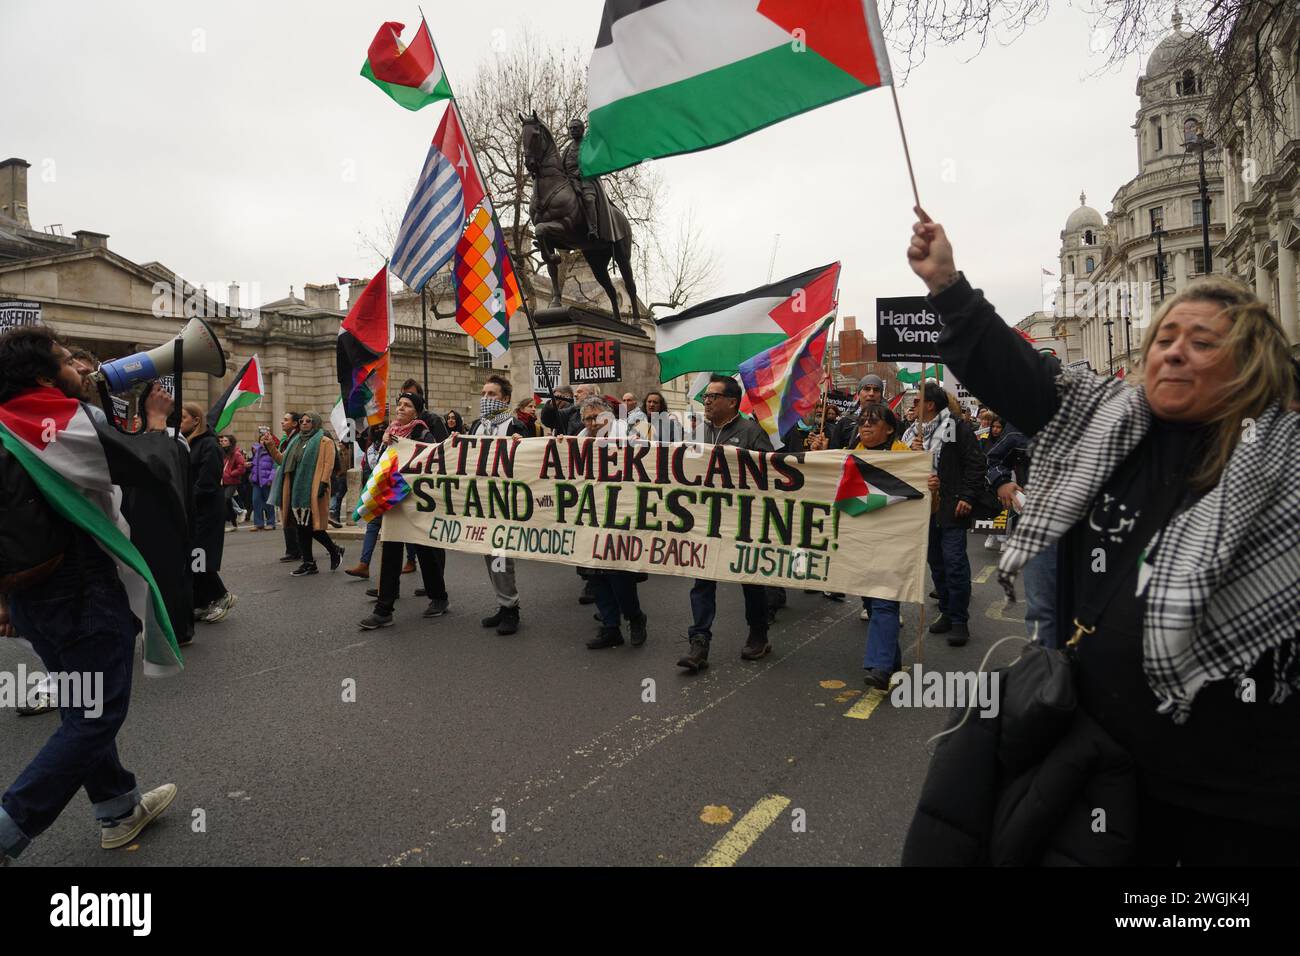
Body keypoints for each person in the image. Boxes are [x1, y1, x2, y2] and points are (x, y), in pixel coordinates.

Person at [907, 211, 1300, 864]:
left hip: (1240, 798)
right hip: (1096, 771)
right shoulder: (1108, 420)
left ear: (1251, 363)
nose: (1172, 350)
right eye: (1164, 337)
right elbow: (1018, 373)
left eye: (1201, 342)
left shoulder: (1284, 464)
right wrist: (947, 284)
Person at [0, 326, 177, 863]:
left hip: (31, 593)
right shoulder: (63, 420)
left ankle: (118, 808)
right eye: (68, 362)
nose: (82, 370)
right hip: (78, 586)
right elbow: (149, 470)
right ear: (41, 375)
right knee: (95, 715)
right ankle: (10, 827)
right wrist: (156, 423)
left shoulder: (8, 423)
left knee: (82, 699)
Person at [677, 375, 776, 673]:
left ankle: (758, 634)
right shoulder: (697, 433)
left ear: (732, 402)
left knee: (750, 582)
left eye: (713, 396)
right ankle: (699, 642)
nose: (706, 401)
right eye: (706, 396)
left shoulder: (751, 432)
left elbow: (773, 469)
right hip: (706, 520)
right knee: (702, 581)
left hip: (743, 522)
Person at [359, 392, 450, 629]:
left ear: (416, 412)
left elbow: (432, 462)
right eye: (399, 404)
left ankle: (439, 598)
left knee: (425, 552)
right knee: (390, 552)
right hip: (393, 501)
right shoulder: (389, 433)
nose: (400, 408)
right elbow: (379, 464)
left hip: (415, 502)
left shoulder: (423, 434)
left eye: (407, 405)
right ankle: (384, 609)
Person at [571, 398, 649, 649]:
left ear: (610, 416)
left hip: (621, 513)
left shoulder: (629, 433)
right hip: (589, 515)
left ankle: (634, 617)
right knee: (595, 575)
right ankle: (610, 626)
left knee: (619, 574)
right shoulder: (578, 440)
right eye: (588, 419)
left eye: (598, 417)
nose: (593, 423)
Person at [912, 381, 986, 647]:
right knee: (936, 561)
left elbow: (975, 463)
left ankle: (959, 621)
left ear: (930, 405)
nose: (913, 406)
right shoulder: (914, 433)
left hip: (951, 505)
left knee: (954, 562)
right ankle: (945, 609)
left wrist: (966, 496)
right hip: (925, 507)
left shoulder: (954, 426)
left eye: (917, 401)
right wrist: (914, 455)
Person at [850, 403, 913, 689]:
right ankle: (891, 662)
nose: (865, 426)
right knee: (874, 604)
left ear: (889, 428)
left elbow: (930, 508)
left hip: (894, 541)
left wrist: (932, 487)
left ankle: (880, 667)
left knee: (885, 600)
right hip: (861, 541)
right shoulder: (849, 455)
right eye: (862, 421)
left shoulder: (907, 458)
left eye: (873, 422)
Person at [470, 374, 531, 635]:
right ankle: (502, 603)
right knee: (490, 553)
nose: (486, 398)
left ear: (505, 398)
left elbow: (531, 460)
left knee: (501, 554)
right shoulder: (476, 426)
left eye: (492, 394)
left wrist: (522, 447)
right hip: (482, 499)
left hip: (505, 501)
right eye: (483, 394)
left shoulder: (515, 426)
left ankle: (511, 608)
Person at [270, 412, 345, 576]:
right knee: (302, 527)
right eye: (302, 421)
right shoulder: (295, 441)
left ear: (315, 422)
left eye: (308, 421)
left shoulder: (324, 440)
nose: (304, 423)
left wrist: (323, 483)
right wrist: (270, 446)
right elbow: (282, 461)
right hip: (295, 490)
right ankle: (314, 560)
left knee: (311, 526)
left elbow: (328, 463)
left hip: (313, 490)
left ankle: (325, 554)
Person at [181, 403, 236, 623]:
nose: (179, 421)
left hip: (206, 509)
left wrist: (188, 500)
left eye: (183, 417)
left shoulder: (209, 445)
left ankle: (220, 596)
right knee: (193, 556)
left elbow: (207, 482)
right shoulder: (188, 444)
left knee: (200, 555)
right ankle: (202, 602)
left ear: (196, 420)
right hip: (193, 509)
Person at [261, 411, 302, 562]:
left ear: (294, 423)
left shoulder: (296, 439)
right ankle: (295, 550)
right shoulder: (288, 439)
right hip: (287, 481)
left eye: (286, 420)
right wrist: (270, 444)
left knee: (290, 517)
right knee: (288, 516)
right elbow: (280, 459)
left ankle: (295, 551)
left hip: (293, 481)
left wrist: (270, 445)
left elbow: (281, 460)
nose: (282, 422)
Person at [248, 426, 278, 531]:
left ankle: (271, 522)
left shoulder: (272, 451)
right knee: (256, 501)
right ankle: (258, 523)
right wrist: (250, 468)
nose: (262, 442)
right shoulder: (256, 451)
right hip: (257, 481)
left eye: (264, 440)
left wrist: (271, 479)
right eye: (261, 440)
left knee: (268, 503)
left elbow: (275, 466)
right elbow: (256, 464)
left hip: (267, 481)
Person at [219, 435, 247, 531]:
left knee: (225, 499)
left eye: (225, 440)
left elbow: (241, 467)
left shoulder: (236, 454)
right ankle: (235, 524)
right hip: (223, 481)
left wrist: (231, 473)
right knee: (228, 502)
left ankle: (222, 524)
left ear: (230, 442)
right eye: (222, 440)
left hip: (232, 481)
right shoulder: (223, 453)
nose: (223, 442)